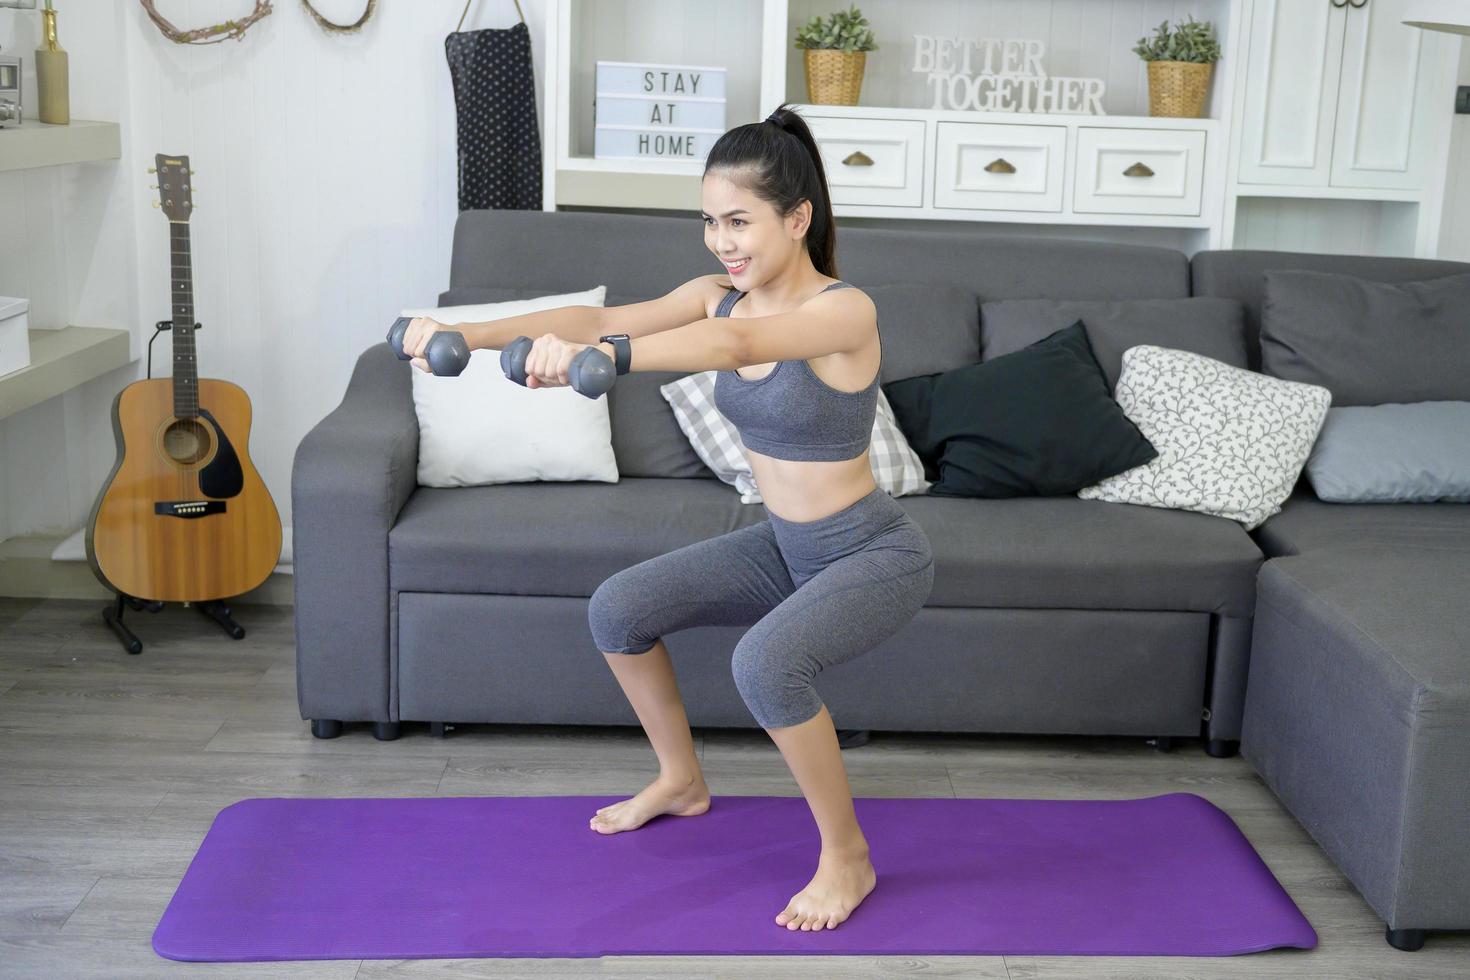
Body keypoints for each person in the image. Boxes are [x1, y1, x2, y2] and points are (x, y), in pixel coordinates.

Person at [400, 102, 935, 933]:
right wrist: (467, 333)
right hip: (785, 545)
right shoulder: (715, 294)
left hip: (870, 552)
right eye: (711, 221)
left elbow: (737, 351)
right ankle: (681, 780)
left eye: (741, 221)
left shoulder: (843, 312)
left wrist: (604, 363)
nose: (723, 241)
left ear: (797, 219)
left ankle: (847, 856)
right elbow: (595, 319)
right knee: (620, 607)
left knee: (766, 666)